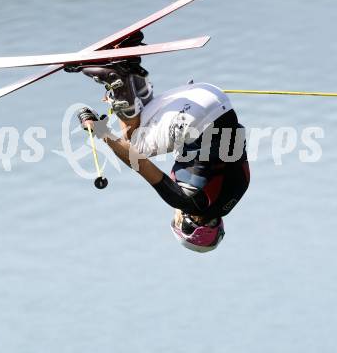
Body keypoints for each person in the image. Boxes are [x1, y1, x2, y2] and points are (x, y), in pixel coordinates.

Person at [76, 32, 250, 253]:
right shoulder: (189, 203)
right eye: (177, 223)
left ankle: (130, 68)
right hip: (196, 116)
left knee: (145, 128)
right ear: (188, 224)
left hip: (213, 96)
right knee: (136, 145)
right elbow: (137, 162)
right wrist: (99, 130)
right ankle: (115, 77)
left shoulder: (239, 188)